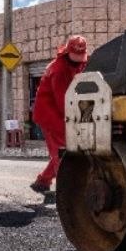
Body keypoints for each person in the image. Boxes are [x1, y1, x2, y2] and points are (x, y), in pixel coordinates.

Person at [30, 35, 88, 194]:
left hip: (62, 113)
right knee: (62, 154)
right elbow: (63, 101)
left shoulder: (80, 62)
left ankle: (42, 181)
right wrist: (78, 119)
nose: (78, 62)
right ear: (67, 52)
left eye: (80, 58)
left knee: (65, 150)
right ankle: (66, 194)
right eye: (75, 58)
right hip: (50, 115)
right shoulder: (58, 70)